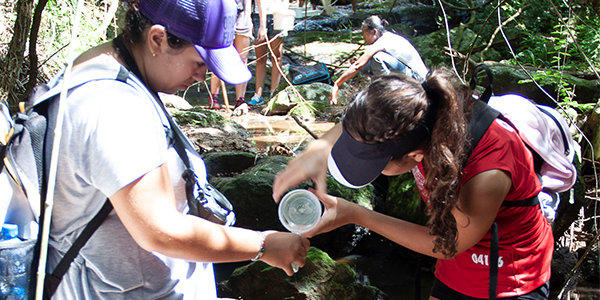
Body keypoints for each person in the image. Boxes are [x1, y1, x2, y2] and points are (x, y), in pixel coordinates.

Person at [45, 0, 310, 298]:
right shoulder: (112, 106)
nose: (202, 76)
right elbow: (160, 229)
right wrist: (262, 246)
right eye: (199, 63)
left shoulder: (100, 68)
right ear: (157, 39)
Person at [273, 70, 553, 299]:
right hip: (455, 268)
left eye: (375, 165)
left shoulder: (488, 170)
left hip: (508, 275)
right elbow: (369, 116)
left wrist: (356, 214)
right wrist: (316, 149)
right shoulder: (418, 105)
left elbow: (448, 244)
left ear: (415, 157)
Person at [330, 15, 428, 105]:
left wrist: (337, 83)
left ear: (375, 32)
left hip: (418, 78)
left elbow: (357, 66)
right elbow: (360, 64)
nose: (363, 38)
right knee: (368, 64)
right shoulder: (388, 37)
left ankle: (386, 93)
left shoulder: (383, 41)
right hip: (410, 74)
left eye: (365, 34)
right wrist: (358, 62)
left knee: (377, 58)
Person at [209, 0, 253, 110]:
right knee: (219, 55)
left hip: (242, 16)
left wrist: (248, 16)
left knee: (242, 58)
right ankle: (214, 96)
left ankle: (240, 99)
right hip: (223, 13)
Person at [247, 0, 286, 106]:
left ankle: (274, 93)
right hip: (258, 16)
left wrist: (285, 12)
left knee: (277, 56)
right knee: (260, 58)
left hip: (278, 15)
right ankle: (258, 95)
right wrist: (262, 26)